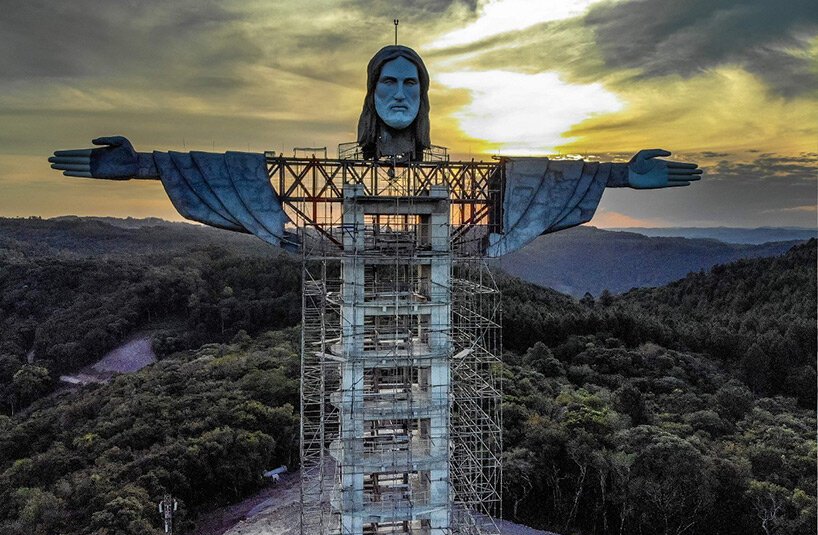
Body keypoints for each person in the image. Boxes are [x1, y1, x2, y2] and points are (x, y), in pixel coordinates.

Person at [48, 45, 702, 256]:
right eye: (386, 82)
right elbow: (240, 174)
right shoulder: (326, 174)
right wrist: (140, 165)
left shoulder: (466, 174)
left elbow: (536, 179)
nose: (397, 93)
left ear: (423, 97)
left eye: (409, 83)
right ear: (371, 94)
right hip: (356, 268)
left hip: (430, 274)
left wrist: (620, 173)